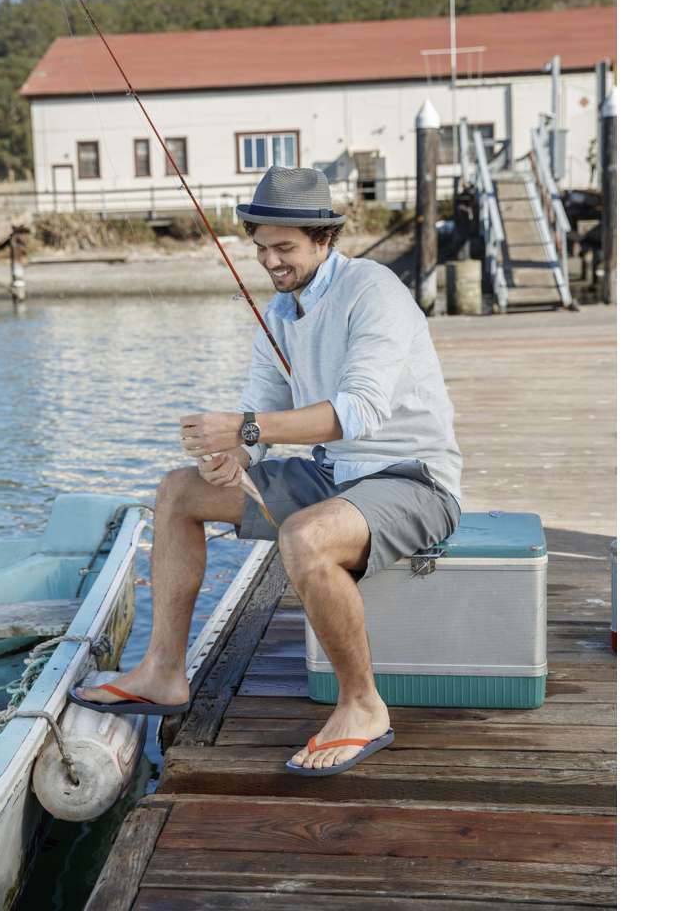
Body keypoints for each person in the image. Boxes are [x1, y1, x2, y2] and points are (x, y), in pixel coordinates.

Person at [70, 166, 462, 776]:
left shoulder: (372, 289)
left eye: (284, 248)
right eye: (260, 249)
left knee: (304, 535)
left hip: (412, 479)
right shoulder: (278, 313)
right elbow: (264, 415)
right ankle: (164, 672)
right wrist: (235, 457)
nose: (270, 261)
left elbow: (359, 411)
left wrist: (245, 429)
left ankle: (363, 707)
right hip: (333, 474)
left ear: (323, 239)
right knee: (178, 490)